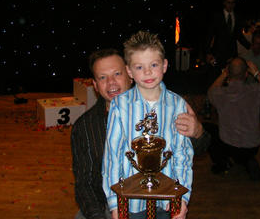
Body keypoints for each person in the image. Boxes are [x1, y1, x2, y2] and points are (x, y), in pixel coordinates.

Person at [71, 48, 209, 219]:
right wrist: (102, 214)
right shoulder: (83, 127)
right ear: (95, 85)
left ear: (129, 74)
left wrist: (198, 132)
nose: (111, 83)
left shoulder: (165, 108)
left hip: (160, 202)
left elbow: (198, 150)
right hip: (107, 206)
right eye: (102, 77)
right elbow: (84, 184)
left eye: (117, 73)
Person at [102, 31, 194, 219]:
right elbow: (112, 157)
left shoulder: (178, 104)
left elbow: (182, 154)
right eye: (139, 67)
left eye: (153, 64)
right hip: (130, 202)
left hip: (167, 201)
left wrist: (182, 199)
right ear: (129, 71)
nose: (148, 72)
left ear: (165, 65)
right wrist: (115, 203)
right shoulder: (119, 106)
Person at [208, 57, 260, 181]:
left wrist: (224, 74)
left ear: (228, 72)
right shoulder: (255, 90)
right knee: (244, 150)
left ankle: (223, 163)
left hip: (228, 145)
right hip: (252, 146)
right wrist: (256, 73)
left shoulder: (220, 93)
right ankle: (247, 160)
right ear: (246, 74)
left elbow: (210, 91)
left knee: (207, 129)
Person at [203, 0, 251, 119]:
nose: (231, 5)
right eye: (229, 2)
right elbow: (209, 35)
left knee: (229, 81)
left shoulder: (237, 17)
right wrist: (208, 53)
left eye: (233, 2)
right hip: (217, 54)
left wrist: (250, 46)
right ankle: (207, 107)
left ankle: (224, 109)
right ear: (224, 3)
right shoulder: (217, 16)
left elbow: (238, 35)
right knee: (212, 80)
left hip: (231, 54)